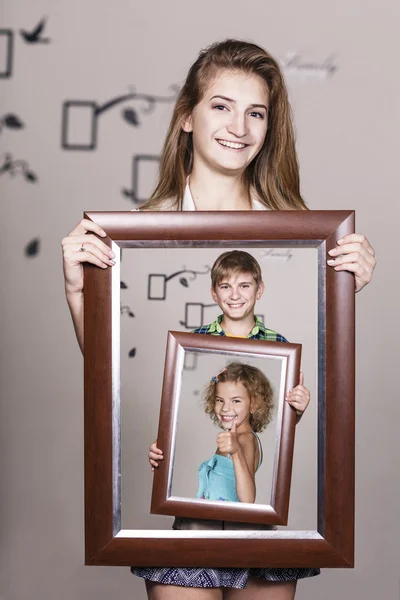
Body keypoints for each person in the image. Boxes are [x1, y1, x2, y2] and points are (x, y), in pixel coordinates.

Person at [61, 38, 377, 599]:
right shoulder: (133, 235)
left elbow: (304, 385)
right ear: (186, 115)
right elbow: (109, 379)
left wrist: (348, 284)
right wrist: (77, 291)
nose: (240, 126)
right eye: (221, 106)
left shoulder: (306, 237)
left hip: (265, 515)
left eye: (256, 112)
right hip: (188, 511)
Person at [196, 361, 276, 504]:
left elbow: (248, 500)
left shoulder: (246, 439)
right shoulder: (234, 437)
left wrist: (236, 451)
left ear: (253, 405)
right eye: (220, 400)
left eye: (236, 401)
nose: (225, 408)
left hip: (223, 524)